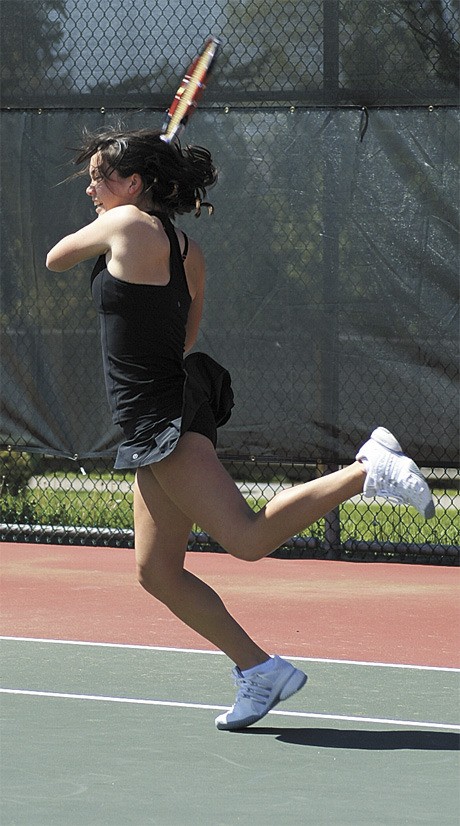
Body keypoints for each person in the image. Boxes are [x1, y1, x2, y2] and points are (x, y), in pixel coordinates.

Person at [46, 127, 435, 731]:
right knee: (157, 571)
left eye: (101, 176)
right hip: (171, 401)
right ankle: (260, 670)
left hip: (159, 415)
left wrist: (111, 237)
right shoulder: (186, 248)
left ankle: (366, 470)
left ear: (135, 184)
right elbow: (186, 336)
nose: (91, 188)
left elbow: (55, 256)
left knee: (246, 540)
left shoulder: (124, 227)